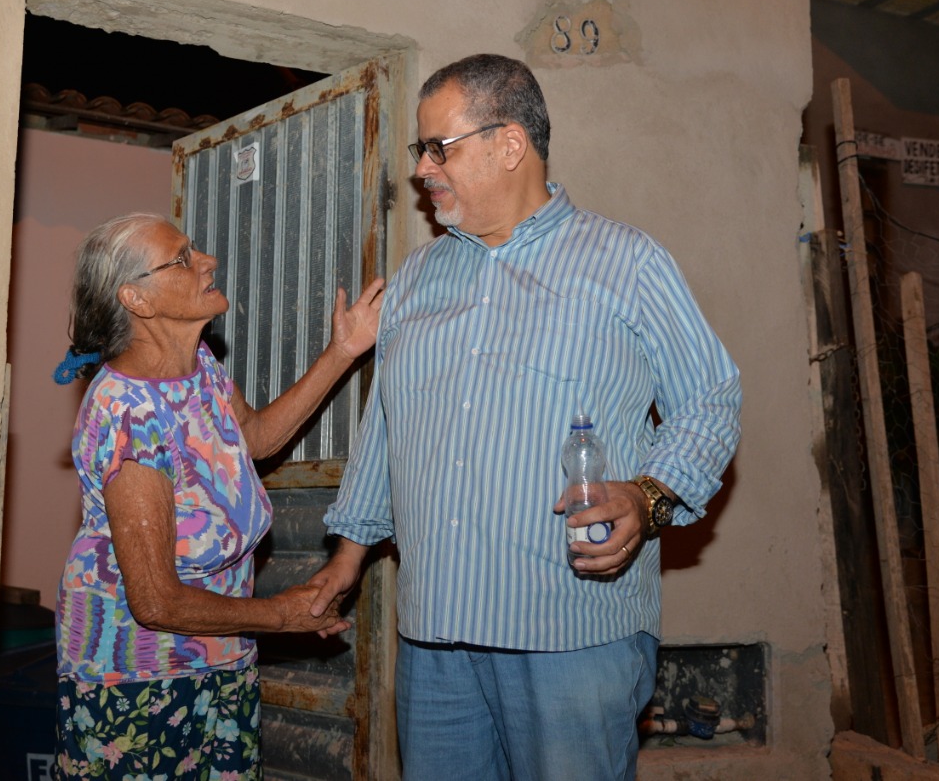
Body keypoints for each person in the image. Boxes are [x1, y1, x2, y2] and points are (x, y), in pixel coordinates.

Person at [308, 54, 742, 780]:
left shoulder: (626, 262)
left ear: (510, 144)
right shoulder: (418, 278)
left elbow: (711, 399)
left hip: (570, 633)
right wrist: (348, 555)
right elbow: (388, 423)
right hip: (435, 635)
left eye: (437, 147)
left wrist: (648, 498)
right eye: (420, 148)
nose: (421, 169)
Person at [50, 213, 384, 780]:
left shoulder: (199, 367)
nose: (207, 262)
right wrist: (282, 616)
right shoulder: (126, 415)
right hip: (138, 684)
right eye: (182, 259)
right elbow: (156, 601)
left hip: (220, 660)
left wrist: (343, 351)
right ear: (137, 299)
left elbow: (255, 438)